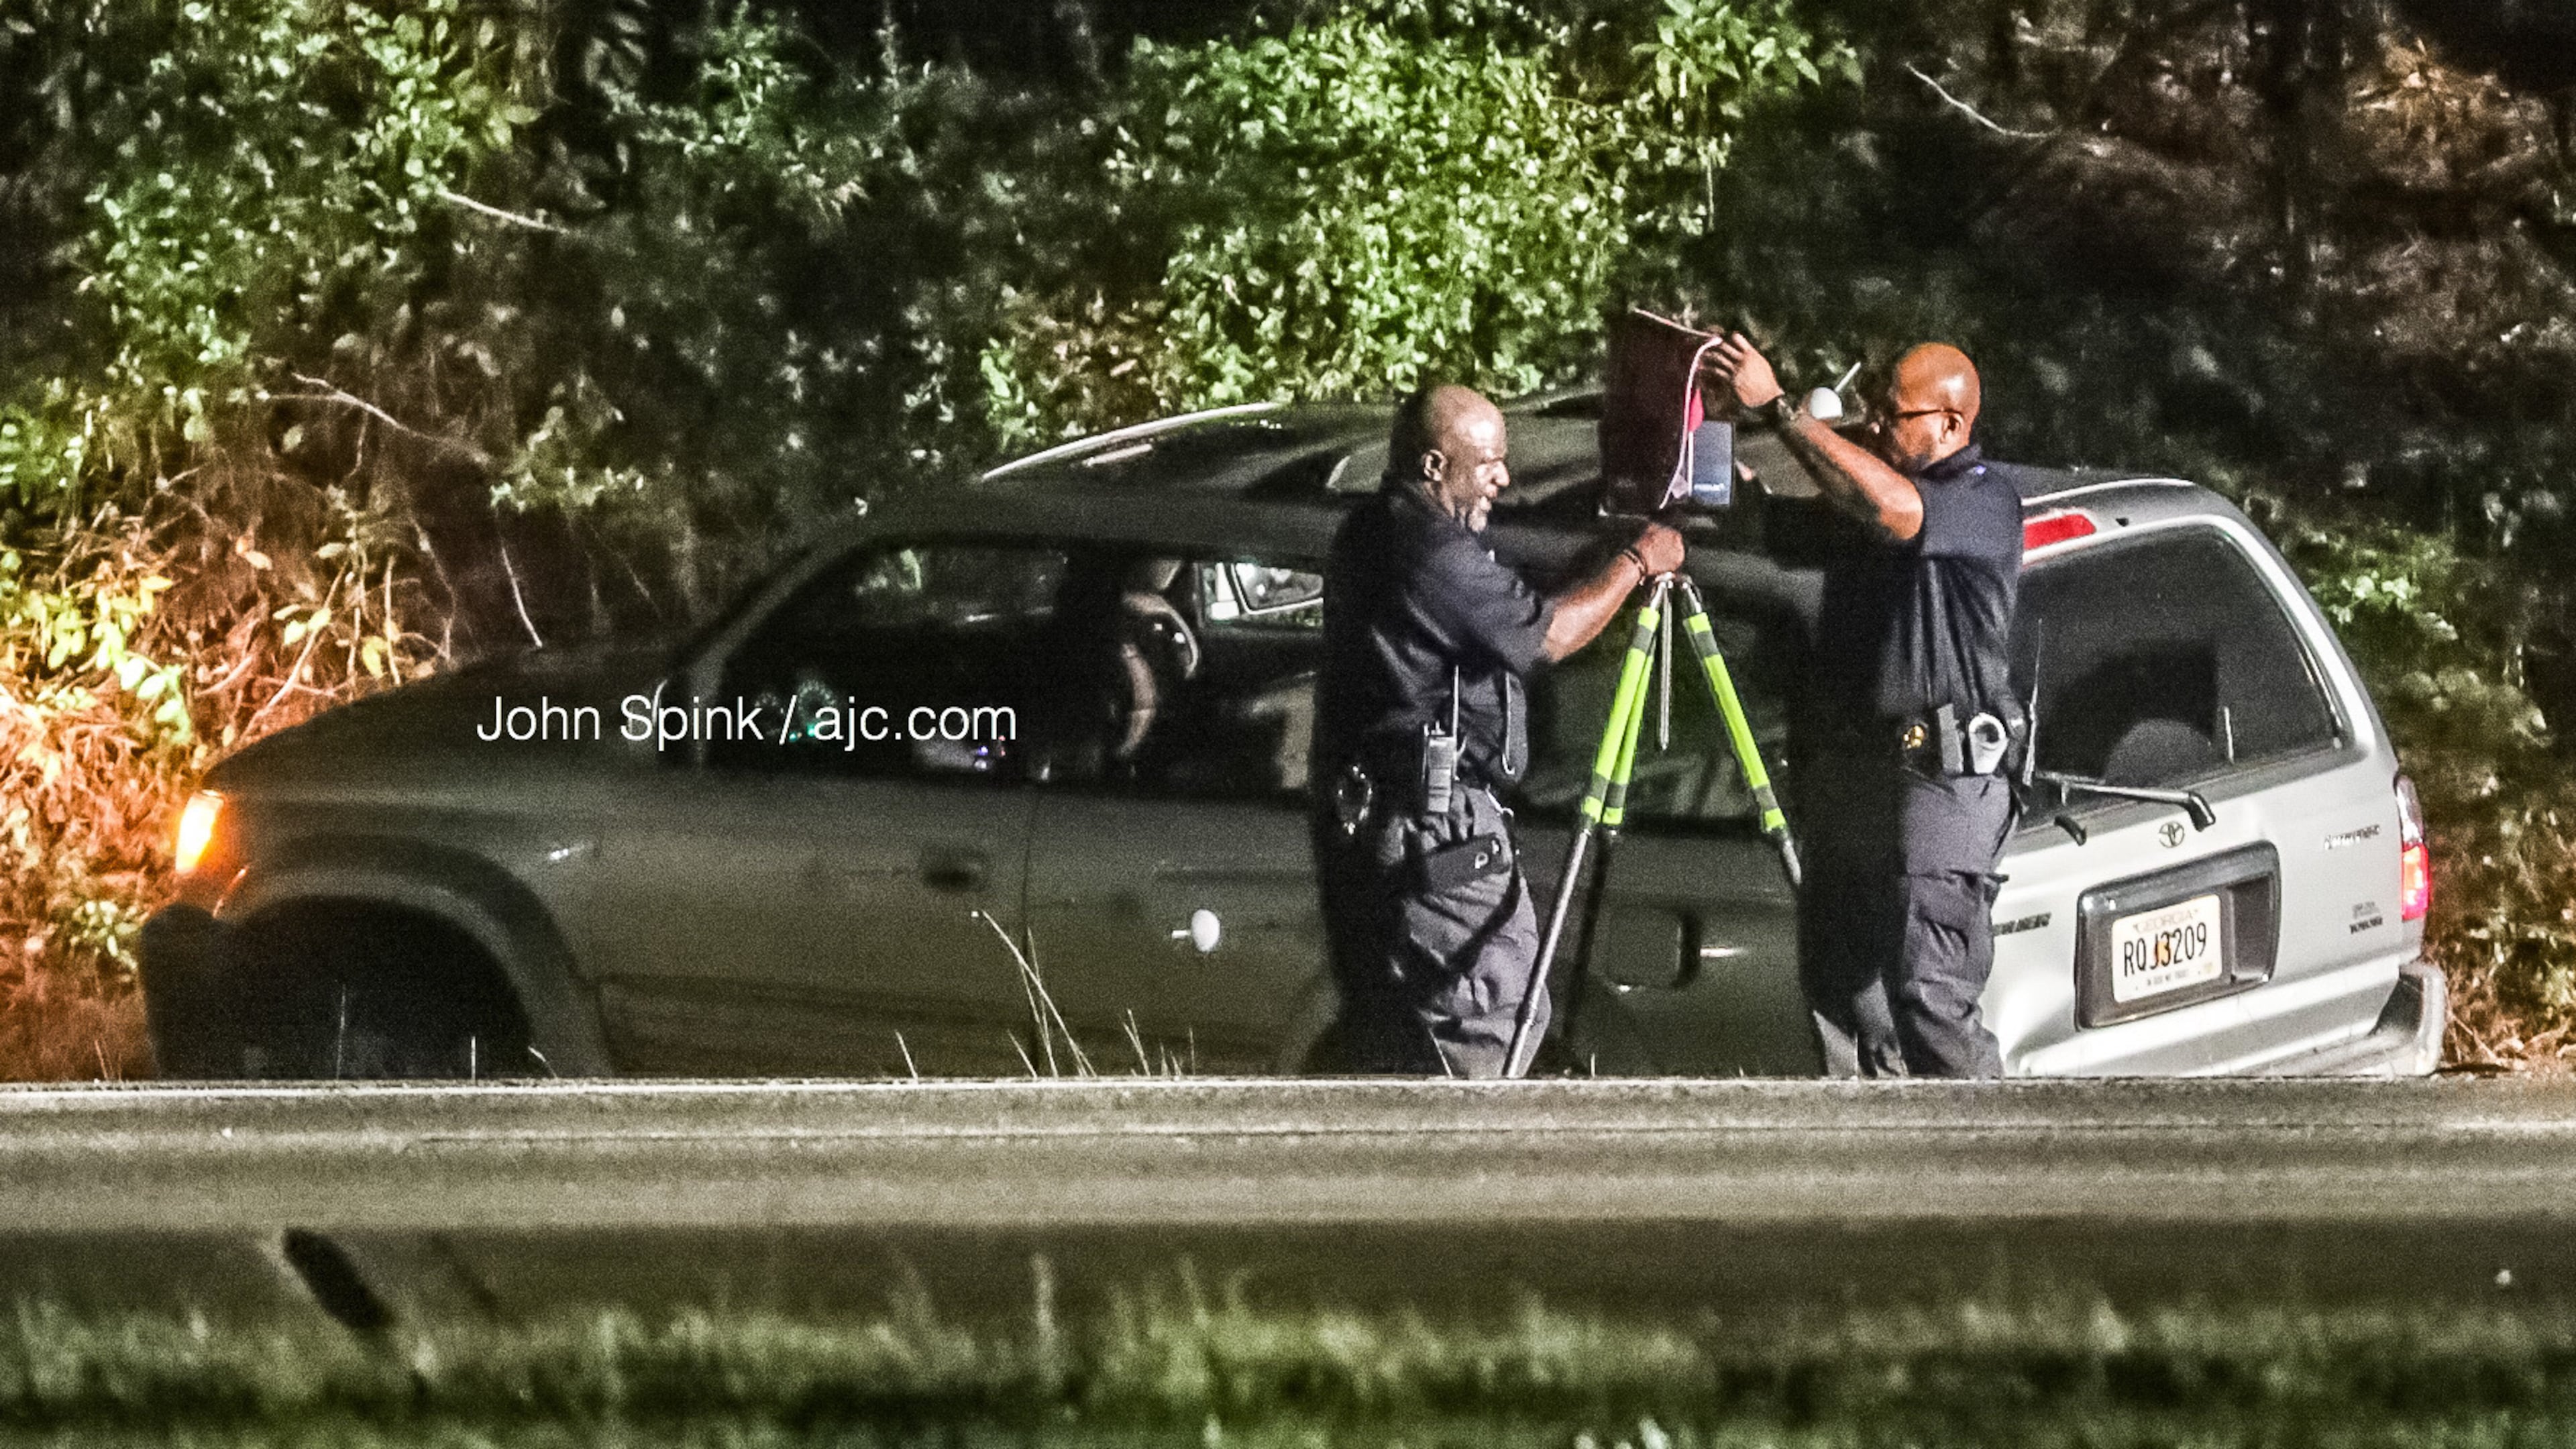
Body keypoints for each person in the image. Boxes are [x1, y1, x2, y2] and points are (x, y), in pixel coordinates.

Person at [1310, 384, 1685, 1077]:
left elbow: (1504, 610)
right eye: (1487, 465)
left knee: (1400, 1032)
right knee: (1490, 1018)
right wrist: (1637, 563)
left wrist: (1592, 563)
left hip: (1377, 819)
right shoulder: (1433, 553)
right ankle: (1468, 1174)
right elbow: (1553, 635)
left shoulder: (1371, 530)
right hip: (1434, 825)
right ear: (1431, 466)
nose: (1503, 480)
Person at [1705, 337, 2023, 1079]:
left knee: (1930, 1002)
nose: (1875, 424)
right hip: (1855, 781)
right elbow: (1783, 524)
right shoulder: (1873, 506)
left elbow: (1892, 509)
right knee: (1847, 1001)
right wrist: (1715, 444)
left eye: (1892, 412)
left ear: (1948, 422)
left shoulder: (1981, 501)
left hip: (1940, 784)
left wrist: (1781, 410)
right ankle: (1881, 1183)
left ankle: (1996, 1182)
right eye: (1871, 408)